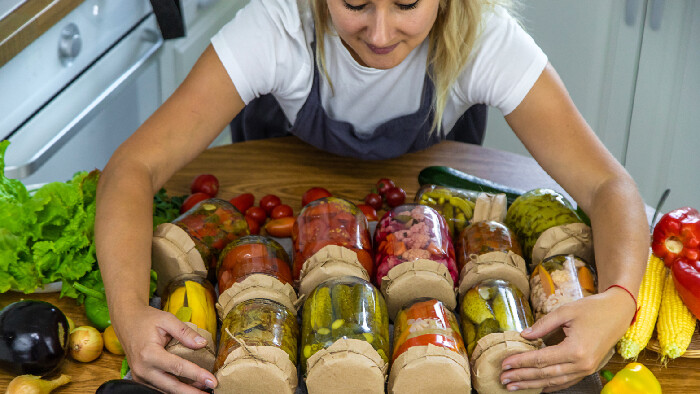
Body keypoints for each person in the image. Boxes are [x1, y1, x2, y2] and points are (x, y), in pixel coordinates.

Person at [95, 0, 649, 393]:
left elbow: (608, 185)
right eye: (355, 3)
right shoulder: (276, 25)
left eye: (407, 3)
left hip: (418, 206)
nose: (381, 33)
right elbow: (133, 166)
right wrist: (128, 312)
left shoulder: (486, 36)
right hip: (285, 177)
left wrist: (620, 298)